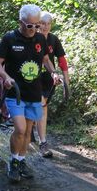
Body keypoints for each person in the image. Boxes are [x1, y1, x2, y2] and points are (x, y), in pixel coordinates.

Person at [0, 4, 61, 182]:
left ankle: (22, 161)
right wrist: (6, 77)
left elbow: (46, 59)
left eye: (37, 25)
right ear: (20, 23)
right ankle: (13, 161)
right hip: (15, 92)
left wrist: (53, 73)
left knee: (28, 129)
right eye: (30, 26)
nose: (34, 29)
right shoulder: (9, 39)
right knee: (20, 129)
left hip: (34, 92)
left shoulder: (40, 39)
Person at [35, 12, 71, 158]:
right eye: (43, 23)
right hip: (33, 77)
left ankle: (37, 135)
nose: (45, 26)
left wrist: (66, 83)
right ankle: (43, 142)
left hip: (49, 77)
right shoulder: (32, 38)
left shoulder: (53, 40)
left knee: (42, 106)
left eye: (48, 23)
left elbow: (62, 60)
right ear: (38, 24)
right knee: (41, 104)